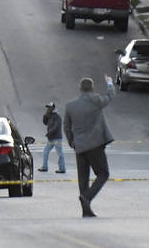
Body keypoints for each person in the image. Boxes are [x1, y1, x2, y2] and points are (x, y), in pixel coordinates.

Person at [64, 75, 115, 217]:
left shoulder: (70, 106)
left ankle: (85, 210)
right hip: (95, 144)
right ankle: (88, 197)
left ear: (80, 89)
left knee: (83, 178)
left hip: (79, 146)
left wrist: (72, 142)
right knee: (103, 173)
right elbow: (110, 97)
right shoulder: (96, 100)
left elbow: (66, 126)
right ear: (92, 88)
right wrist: (110, 83)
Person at [38, 101, 66, 173]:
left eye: (49, 108)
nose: (48, 109)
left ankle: (62, 168)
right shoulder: (49, 116)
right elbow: (45, 123)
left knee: (60, 153)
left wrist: (49, 133)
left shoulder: (57, 117)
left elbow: (56, 127)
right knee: (45, 152)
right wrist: (45, 116)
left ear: (53, 108)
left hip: (57, 138)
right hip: (51, 139)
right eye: (47, 108)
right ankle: (44, 167)